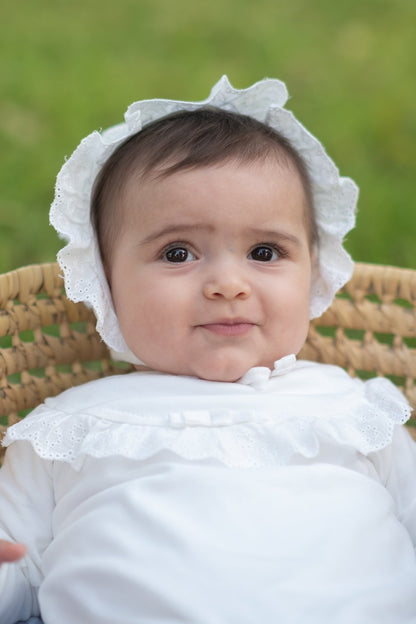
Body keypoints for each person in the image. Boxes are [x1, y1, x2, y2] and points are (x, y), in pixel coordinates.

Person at [1, 76, 416, 623]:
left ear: (313, 274)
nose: (228, 283)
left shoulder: (356, 411)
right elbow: (21, 573)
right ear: (105, 281)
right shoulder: (66, 429)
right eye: (178, 253)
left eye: (264, 251)